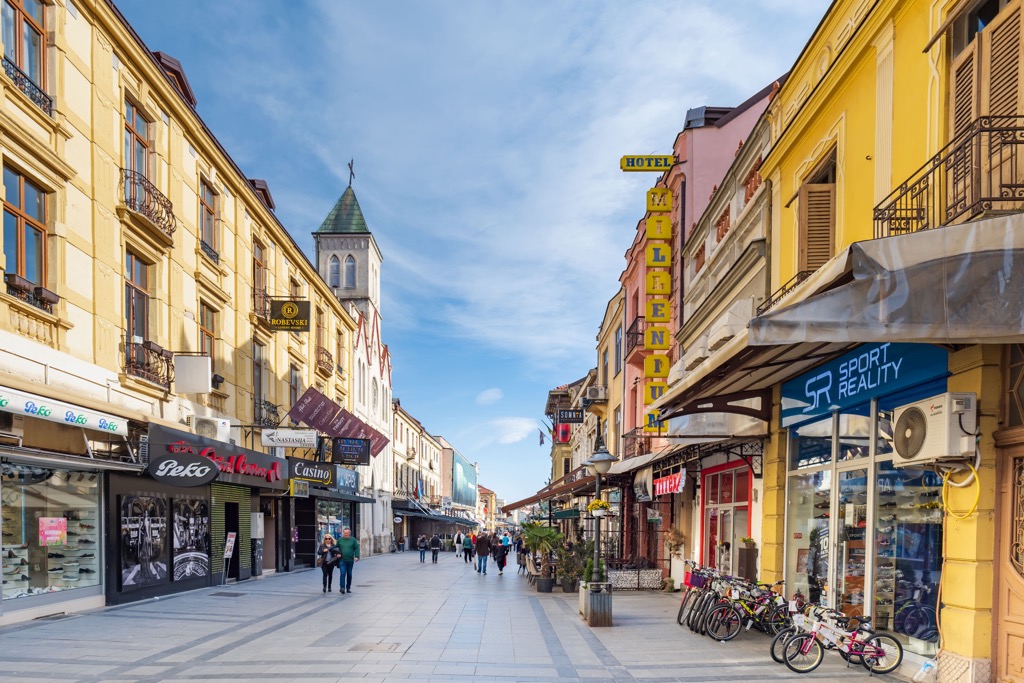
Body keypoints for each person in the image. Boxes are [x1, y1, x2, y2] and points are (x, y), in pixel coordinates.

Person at [335, 527, 360, 594]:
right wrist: (337, 553)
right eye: (344, 533)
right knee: (342, 573)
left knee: (349, 574)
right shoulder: (340, 540)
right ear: (343, 533)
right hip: (342, 560)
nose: (345, 534)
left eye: (347, 533)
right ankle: (342, 588)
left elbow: (356, 548)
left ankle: (348, 587)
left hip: (350, 560)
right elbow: (336, 548)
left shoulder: (353, 540)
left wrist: (357, 556)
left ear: (349, 533)